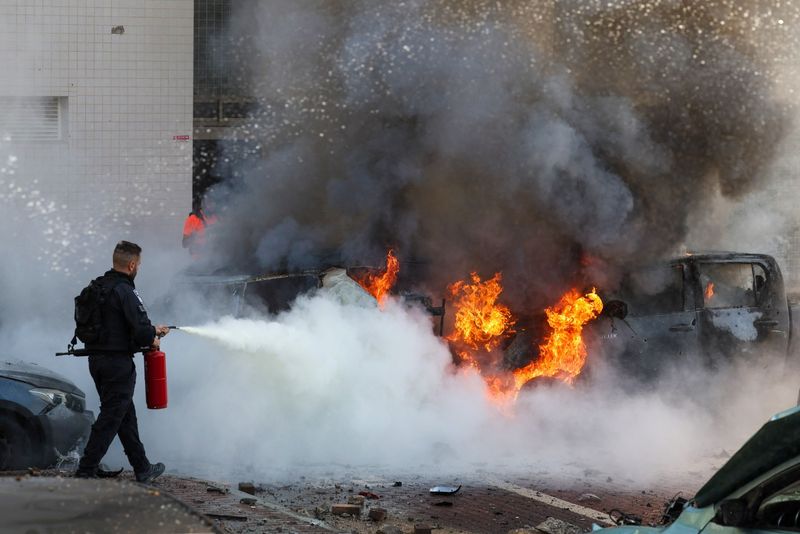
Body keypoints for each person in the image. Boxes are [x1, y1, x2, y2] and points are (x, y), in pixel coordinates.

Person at [75, 241, 170, 481]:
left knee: (124, 415)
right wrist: (154, 334)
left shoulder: (98, 286)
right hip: (117, 365)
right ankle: (86, 470)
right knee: (111, 417)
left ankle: (142, 468)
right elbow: (140, 331)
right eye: (138, 264)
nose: (138, 268)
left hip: (97, 361)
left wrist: (149, 331)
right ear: (131, 265)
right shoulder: (125, 291)